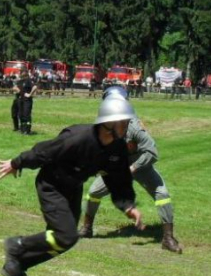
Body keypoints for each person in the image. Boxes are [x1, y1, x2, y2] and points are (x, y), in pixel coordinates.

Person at [0, 97, 138, 276]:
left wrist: (127, 205)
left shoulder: (116, 148)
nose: (127, 126)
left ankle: (17, 265)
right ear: (109, 123)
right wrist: (16, 163)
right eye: (124, 122)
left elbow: (119, 178)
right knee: (66, 234)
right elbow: (44, 151)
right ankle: (17, 245)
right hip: (51, 185)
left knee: (66, 240)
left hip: (73, 187)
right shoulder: (77, 137)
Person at [78, 87, 183, 253]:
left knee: (162, 194)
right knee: (93, 192)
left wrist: (133, 167)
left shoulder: (133, 125)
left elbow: (152, 151)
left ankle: (168, 238)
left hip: (139, 163)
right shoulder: (103, 125)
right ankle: (87, 228)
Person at [18, 67, 37, 135]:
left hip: (27, 101)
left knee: (26, 115)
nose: (20, 73)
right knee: (20, 115)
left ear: (25, 72)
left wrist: (30, 94)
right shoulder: (20, 81)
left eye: (21, 71)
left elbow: (35, 87)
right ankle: (22, 129)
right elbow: (17, 88)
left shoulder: (29, 80)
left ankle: (27, 130)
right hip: (21, 100)